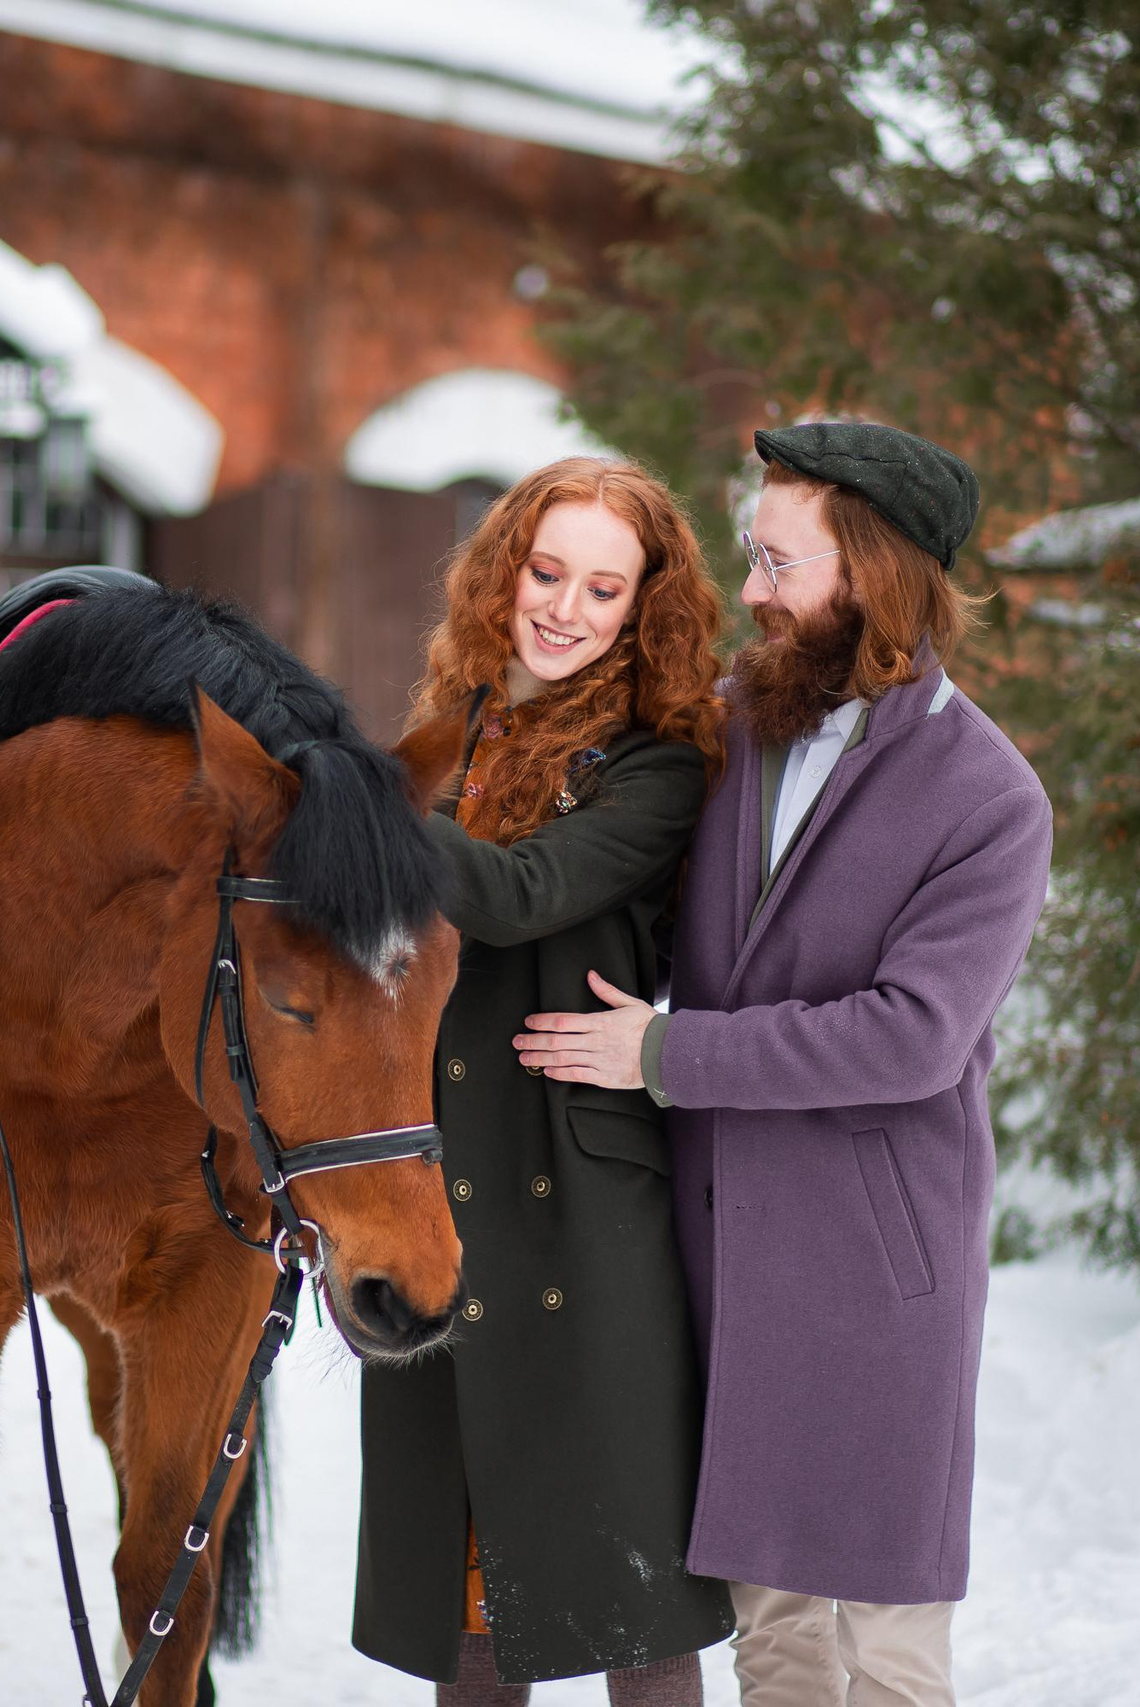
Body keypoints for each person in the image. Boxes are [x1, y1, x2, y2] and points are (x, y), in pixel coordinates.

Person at [515, 422, 1054, 1707]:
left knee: (885, 1650)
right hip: (718, 1259)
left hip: (874, 1275)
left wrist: (666, 1053)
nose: (749, 589)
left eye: (777, 562)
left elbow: (910, 1036)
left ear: (868, 575)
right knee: (773, 1639)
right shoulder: (733, 732)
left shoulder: (989, 801)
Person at [354, 457, 736, 1706]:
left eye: (603, 587)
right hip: (441, 1175)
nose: (564, 607)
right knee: (471, 1579)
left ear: (644, 609)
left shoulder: (656, 766)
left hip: (579, 1196)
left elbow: (520, 898)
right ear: (503, 570)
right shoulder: (447, 727)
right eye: (547, 571)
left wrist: (358, 803)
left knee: (627, 1587)